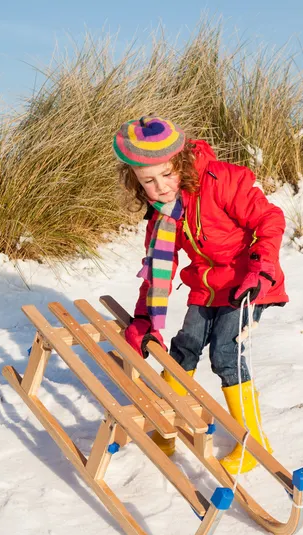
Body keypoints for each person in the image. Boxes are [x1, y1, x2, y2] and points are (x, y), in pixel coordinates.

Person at [113, 116, 288, 474]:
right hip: (207, 287)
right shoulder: (164, 215)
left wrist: (261, 269)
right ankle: (166, 424)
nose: (160, 187)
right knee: (183, 349)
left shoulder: (220, 181)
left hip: (247, 283)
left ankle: (253, 444)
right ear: (136, 181)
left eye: (167, 174)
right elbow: (156, 269)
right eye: (148, 181)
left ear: (179, 162)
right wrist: (145, 316)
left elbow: (270, 220)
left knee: (225, 354)